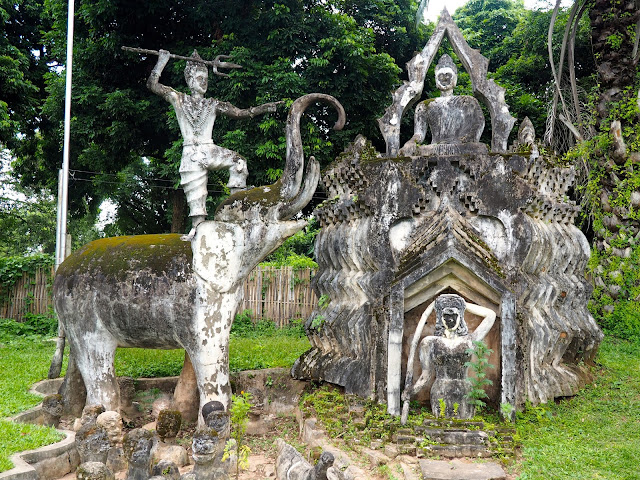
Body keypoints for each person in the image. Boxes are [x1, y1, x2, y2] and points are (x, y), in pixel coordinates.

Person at [147, 49, 281, 239]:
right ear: (190, 79)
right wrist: (162, 62)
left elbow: (240, 113)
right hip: (191, 154)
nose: (204, 82)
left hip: (209, 149)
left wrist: (263, 108)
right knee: (197, 204)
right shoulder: (179, 98)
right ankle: (198, 230)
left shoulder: (212, 104)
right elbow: (153, 85)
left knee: (238, 162)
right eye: (200, 78)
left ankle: (236, 205)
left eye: (206, 79)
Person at [400, 293, 495, 423]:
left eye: (454, 315)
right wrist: (411, 391)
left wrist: (462, 305)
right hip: (440, 391)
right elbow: (425, 374)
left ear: (460, 317)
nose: (450, 320)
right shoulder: (430, 342)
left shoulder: (469, 340)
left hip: (464, 392)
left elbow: (491, 316)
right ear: (440, 318)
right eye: (446, 316)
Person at [400, 54, 485, 156]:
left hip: (461, 146)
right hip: (435, 148)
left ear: (455, 78)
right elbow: (419, 134)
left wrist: (467, 140)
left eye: (448, 75)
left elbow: (478, 123)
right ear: (436, 79)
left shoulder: (468, 101)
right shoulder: (424, 106)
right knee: (414, 151)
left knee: (479, 148)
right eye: (441, 76)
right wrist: (412, 142)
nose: (444, 78)